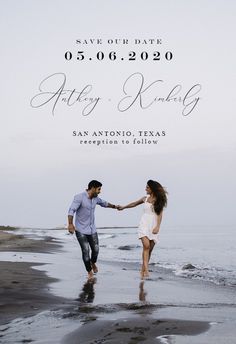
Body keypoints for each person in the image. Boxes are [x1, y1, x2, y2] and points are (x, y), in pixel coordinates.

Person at [68, 180, 118, 279]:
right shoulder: (79, 197)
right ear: (93, 188)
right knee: (86, 251)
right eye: (99, 189)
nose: (100, 191)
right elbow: (71, 210)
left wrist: (115, 207)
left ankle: (93, 262)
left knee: (96, 250)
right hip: (81, 230)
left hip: (92, 230)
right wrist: (70, 224)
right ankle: (89, 271)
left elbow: (104, 203)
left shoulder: (96, 199)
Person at [118, 180, 167, 279]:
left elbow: (160, 214)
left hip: (153, 225)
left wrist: (157, 227)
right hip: (144, 224)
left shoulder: (159, 200)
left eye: (147, 187)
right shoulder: (145, 198)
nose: (145, 189)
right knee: (146, 246)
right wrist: (123, 207)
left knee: (150, 249)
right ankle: (147, 271)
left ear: (152, 189)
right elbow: (134, 203)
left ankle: (142, 270)